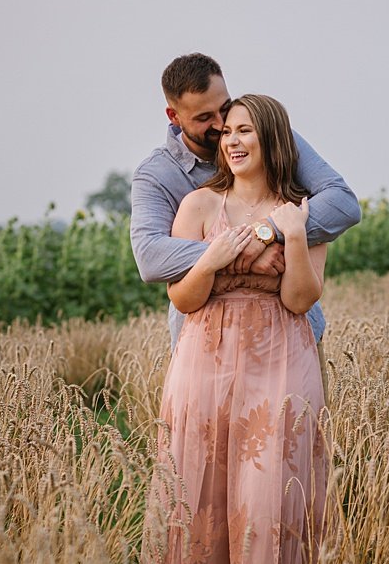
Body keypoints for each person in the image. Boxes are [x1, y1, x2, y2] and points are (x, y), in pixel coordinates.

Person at [140, 94, 329, 564]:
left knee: (271, 492)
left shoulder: (302, 210)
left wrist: (293, 235)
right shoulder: (199, 206)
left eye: (246, 131)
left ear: (271, 139)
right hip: (205, 357)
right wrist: (210, 259)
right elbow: (183, 299)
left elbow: (300, 300)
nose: (234, 141)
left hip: (280, 357)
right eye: (228, 133)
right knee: (200, 492)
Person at [130, 53, 360, 355]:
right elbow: (150, 257)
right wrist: (244, 253)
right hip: (204, 348)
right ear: (174, 116)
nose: (220, 124)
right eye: (203, 118)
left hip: (291, 340)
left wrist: (265, 232)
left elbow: (343, 204)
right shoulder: (156, 175)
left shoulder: (272, 138)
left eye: (223, 108)